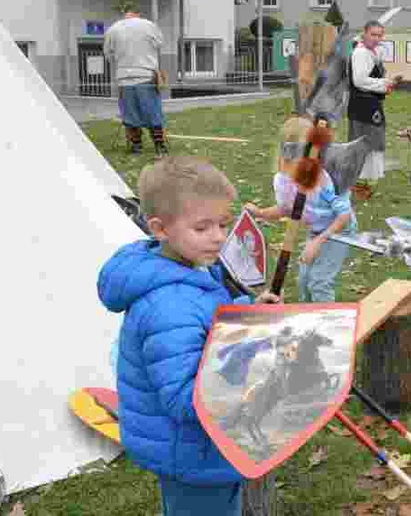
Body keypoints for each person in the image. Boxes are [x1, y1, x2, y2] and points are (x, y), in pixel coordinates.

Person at [98, 156, 280, 516]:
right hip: (192, 453)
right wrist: (247, 348)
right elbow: (186, 398)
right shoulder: (167, 306)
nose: (218, 237)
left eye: (222, 224)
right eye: (202, 228)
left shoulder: (187, 267)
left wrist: (249, 311)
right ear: (160, 228)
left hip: (201, 450)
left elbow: (206, 321)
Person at [244, 116, 356, 303]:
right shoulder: (283, 179)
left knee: (319, 281)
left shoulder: (323, 180)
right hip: (316, 230)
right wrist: (261, 212)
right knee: (304, 280)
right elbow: (287, 209)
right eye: (288, 155)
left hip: (338, 231)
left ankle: (326, 322)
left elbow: (343, 215)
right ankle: (308, 314)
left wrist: (318, 242)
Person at [348, 21, 403, 197]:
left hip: (371, 104)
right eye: (373, 34)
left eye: (380, 35)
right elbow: (360, 81)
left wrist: (388, 82)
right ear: (365, 33)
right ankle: (358, 183)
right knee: (364, 143)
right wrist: (384, 83)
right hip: (362, 105)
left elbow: (374, 76)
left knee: (373, 141)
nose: (377, 38)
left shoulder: (373, 52)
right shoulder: (361, 53)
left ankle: (366, 183)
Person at [103, 9, 168, 155]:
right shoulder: (149, 25)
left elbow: (108, 54)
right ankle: (159, 145)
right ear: (138, 13)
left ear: (125, 14)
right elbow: (159, 44)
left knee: (130, 114)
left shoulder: (113, 29)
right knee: (153, 112)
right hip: (145, 74)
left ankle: (136, 146)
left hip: (124, 78)